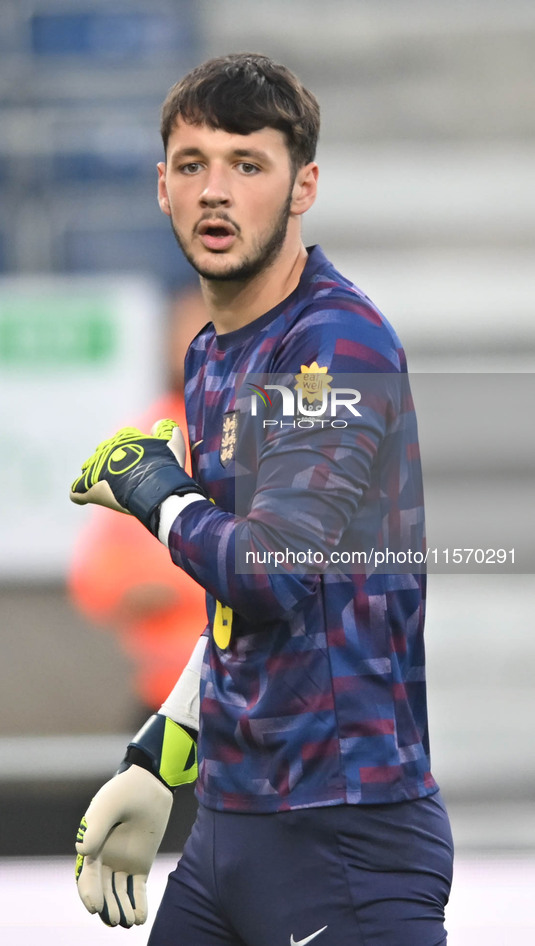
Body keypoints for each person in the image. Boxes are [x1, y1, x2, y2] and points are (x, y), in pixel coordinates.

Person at [69, 53, 454, 946]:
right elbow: (245, 628)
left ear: (302, 185)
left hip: (342, 834)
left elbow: (268, 574)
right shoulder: (214, 355)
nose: (216, 191)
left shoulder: (332, 346)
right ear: (160, 186)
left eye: (248, 165)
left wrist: (152, 489)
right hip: (232, 830)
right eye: (194, 164)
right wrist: (160, 759)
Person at [68, 285, 208, 720]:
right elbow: (94, 573)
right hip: (166, 695)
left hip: (261, 693)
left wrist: (177, 580)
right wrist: (139, 588)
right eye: (184, 332)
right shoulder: (150, 433)